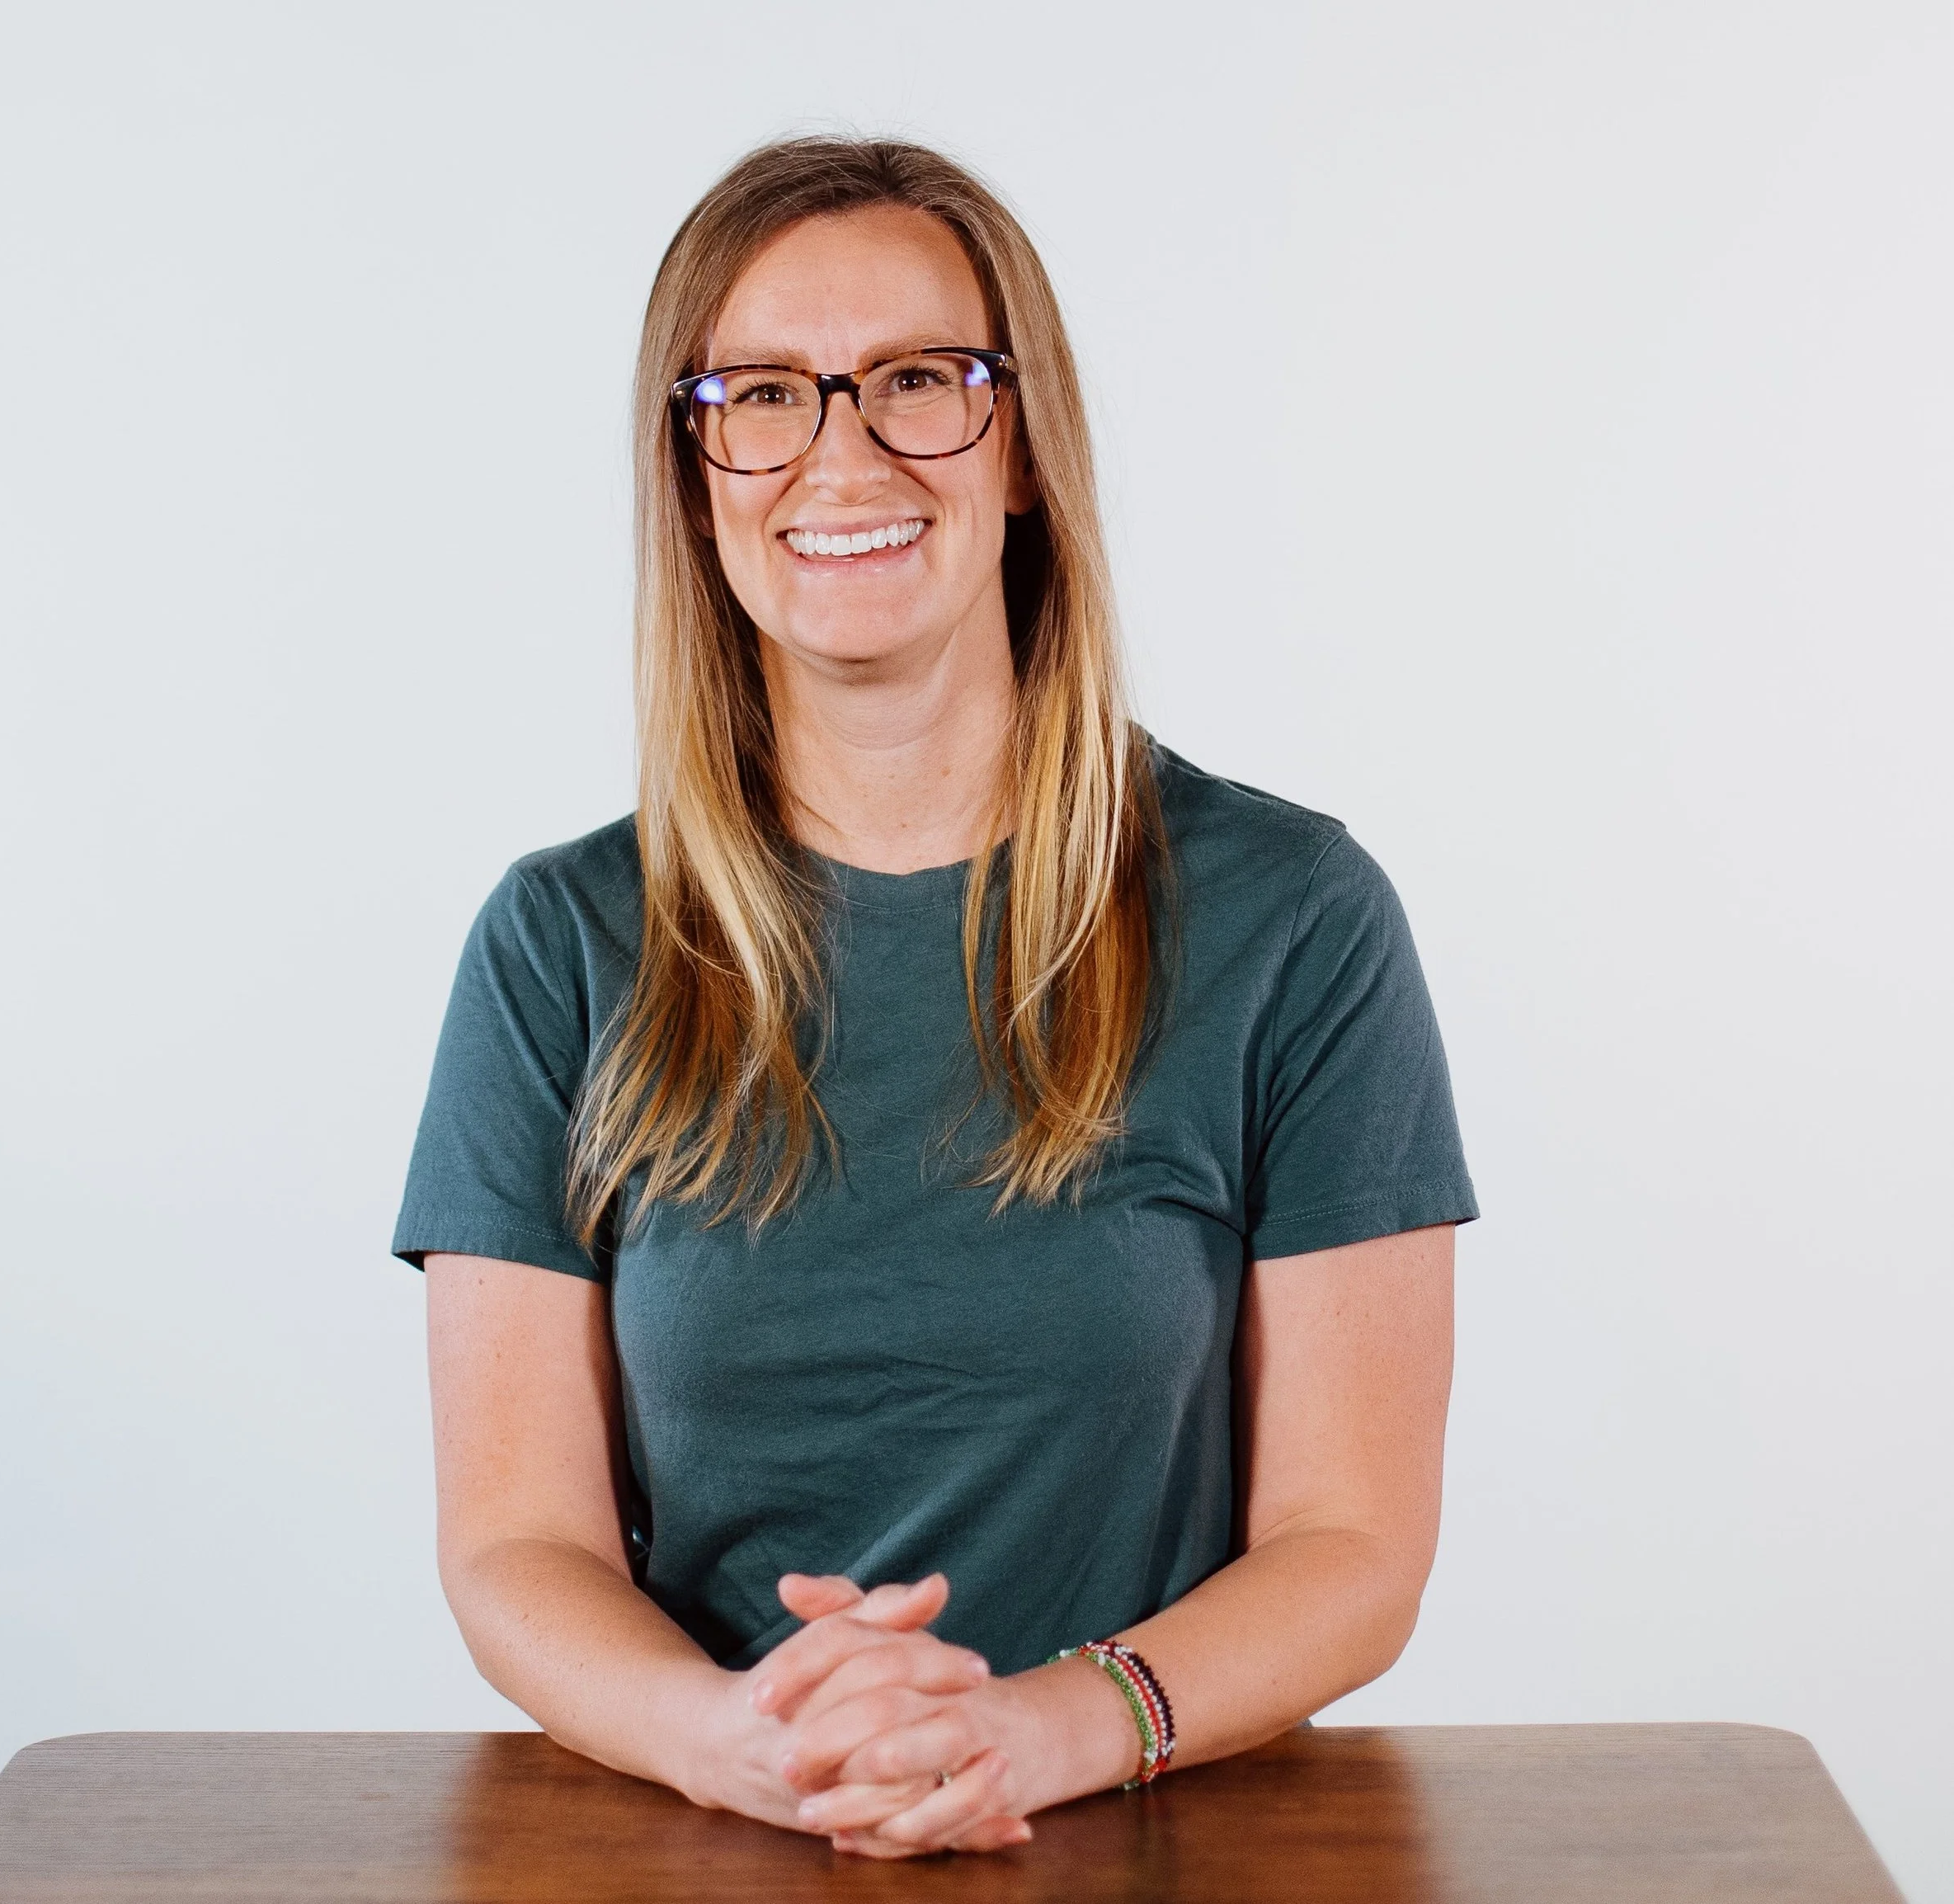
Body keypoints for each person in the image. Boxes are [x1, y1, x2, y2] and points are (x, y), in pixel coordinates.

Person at [393, 134, 1476, 1860]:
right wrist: (743, 1740)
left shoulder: (1292, 914)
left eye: (917, 379)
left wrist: (1029, 1729)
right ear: (692, 468)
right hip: (713, 1836)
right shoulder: (556, 943)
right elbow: (516, 1542)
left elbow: (1350, 1543)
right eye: (760, 393)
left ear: (1024, 438)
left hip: (1140, 1838)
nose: (839, 452)